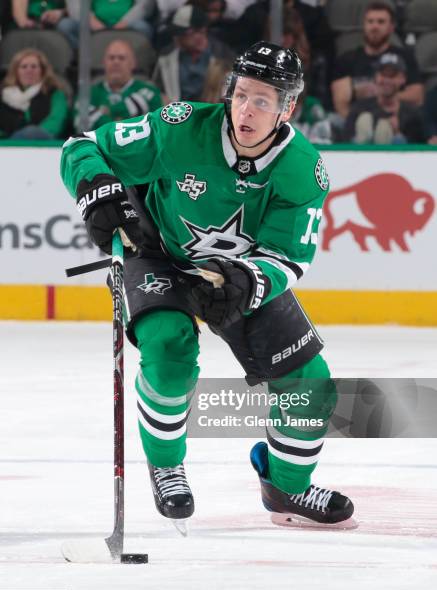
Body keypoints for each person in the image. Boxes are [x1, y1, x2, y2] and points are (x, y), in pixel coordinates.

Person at [61, 41, 355, 529]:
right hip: (156, 250)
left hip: (238, 272)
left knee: (311, 384)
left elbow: (289, 256)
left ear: (288, 108)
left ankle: (286, 487)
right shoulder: (180, 127)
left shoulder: (304, 170)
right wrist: (96, 187)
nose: (246, 109)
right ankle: (167, 465)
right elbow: (83, 146)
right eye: (241, 95)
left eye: (263, 100)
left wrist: (249, 283)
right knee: (169, 351)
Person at [331, 1, 423, 119]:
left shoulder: (405, 57)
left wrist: (381, 95)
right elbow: (340, 100)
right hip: (356, 122)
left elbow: (417, 96)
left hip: (396, 121)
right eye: (370, 21)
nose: (375, 27)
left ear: (391, 27)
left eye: (381, 22)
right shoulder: (347, 59)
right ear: (364, 25)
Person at [73, 39, 162, 132]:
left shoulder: (149, 92)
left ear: (133, 63)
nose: (116, 62)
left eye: (121, 58)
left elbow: (155, 129)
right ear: (104, 63)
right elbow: (81, 127)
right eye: (111, 58)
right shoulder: (88, 94)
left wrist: (103, 114)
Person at [152, 4, 233, 104]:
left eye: (182, 33)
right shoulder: (167, 55)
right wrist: (161, 96)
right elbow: (155, 87)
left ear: (201, 32)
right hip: (177, 113)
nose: (176, 37)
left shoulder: (223, 55)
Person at [343, 53, 426, 144]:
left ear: (402, 79)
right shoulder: (359, 108)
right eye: (383, 75)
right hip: (359, 156)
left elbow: (419, 151)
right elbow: (346, 142)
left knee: (384, 128)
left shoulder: (412, 115)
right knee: (364, 119)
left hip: (395, 157)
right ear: (376, 77)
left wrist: (397, 133)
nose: (387, 80)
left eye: (392, 75)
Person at [0, 48, 69, 140]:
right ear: (16, 71)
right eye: (24, 66)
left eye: (34, 66)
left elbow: (56, 121)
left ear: (42, 71)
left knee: (31, 132)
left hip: (44, 144)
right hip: (7, 146)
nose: (29, 70)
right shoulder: (3, 94)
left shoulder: (55, 93)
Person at [60, 0, 154, 48]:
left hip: (127, 29)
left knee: (142, 28)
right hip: (93, 29)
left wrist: (124, 23)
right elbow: (75, 5)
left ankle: (129, 59)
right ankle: (89, 57)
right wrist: (92, 21)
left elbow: (145, 5)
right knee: (66, 26)